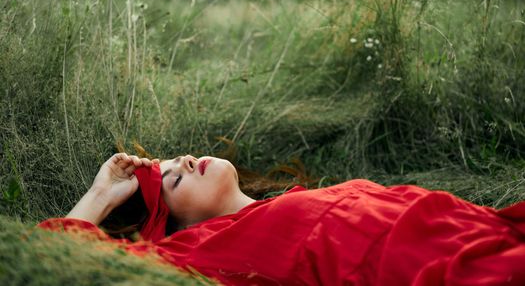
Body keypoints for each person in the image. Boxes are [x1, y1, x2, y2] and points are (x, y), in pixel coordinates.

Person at [38, 153, 525, 285]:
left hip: (480, 230)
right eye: (173, 181)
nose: (185, 161)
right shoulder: (199, 251)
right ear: (177, 227)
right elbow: (62, 264)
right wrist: (100, 196)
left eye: (176, 159)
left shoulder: (289, 201)